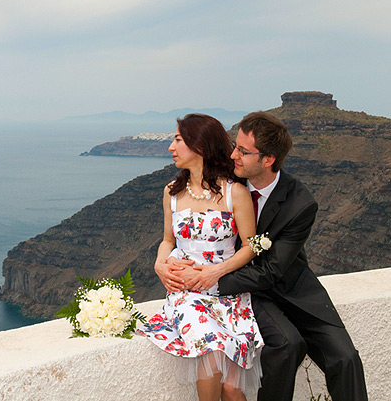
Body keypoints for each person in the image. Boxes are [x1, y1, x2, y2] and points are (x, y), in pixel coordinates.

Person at [160, 112, 368, 401]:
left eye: (243, 152)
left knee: (345, 358)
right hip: (249, 293)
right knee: (286, 345)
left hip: (288, 286)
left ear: (268, 159)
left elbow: (272, 269)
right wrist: (166, 264)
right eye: (235, 146)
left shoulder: (300, 203)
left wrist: (210, 279)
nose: (233, 155)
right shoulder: (228, 182)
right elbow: (184, 226)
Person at [137, 113, 264, 401]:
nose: (171, 147)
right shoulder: (172, 192)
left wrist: (214, 273)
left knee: (232, 389)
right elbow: (168, 240)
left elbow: (250, 246)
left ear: (201, 146)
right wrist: (159, 264)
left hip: (228, 292)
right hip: (189, 294)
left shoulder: (235, 193)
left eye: (178, 140)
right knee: (212, 345)